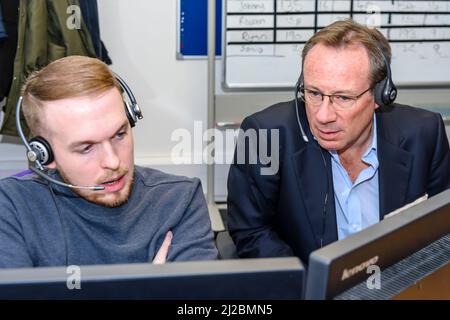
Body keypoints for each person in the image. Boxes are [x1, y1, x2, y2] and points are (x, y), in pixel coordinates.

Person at [227, 19, 450, 265]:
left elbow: (441, 233)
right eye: (313, 93)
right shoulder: (262, 134)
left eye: (343, 97)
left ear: (380, 95)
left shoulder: (425, 133)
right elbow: (251, 232)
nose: (323, 116)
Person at [0, 56, 218, 268]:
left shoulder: (180, 199)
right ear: (44, 155)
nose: (113, 162)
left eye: (120, 134)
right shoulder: (12, 207)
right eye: (86, 147)